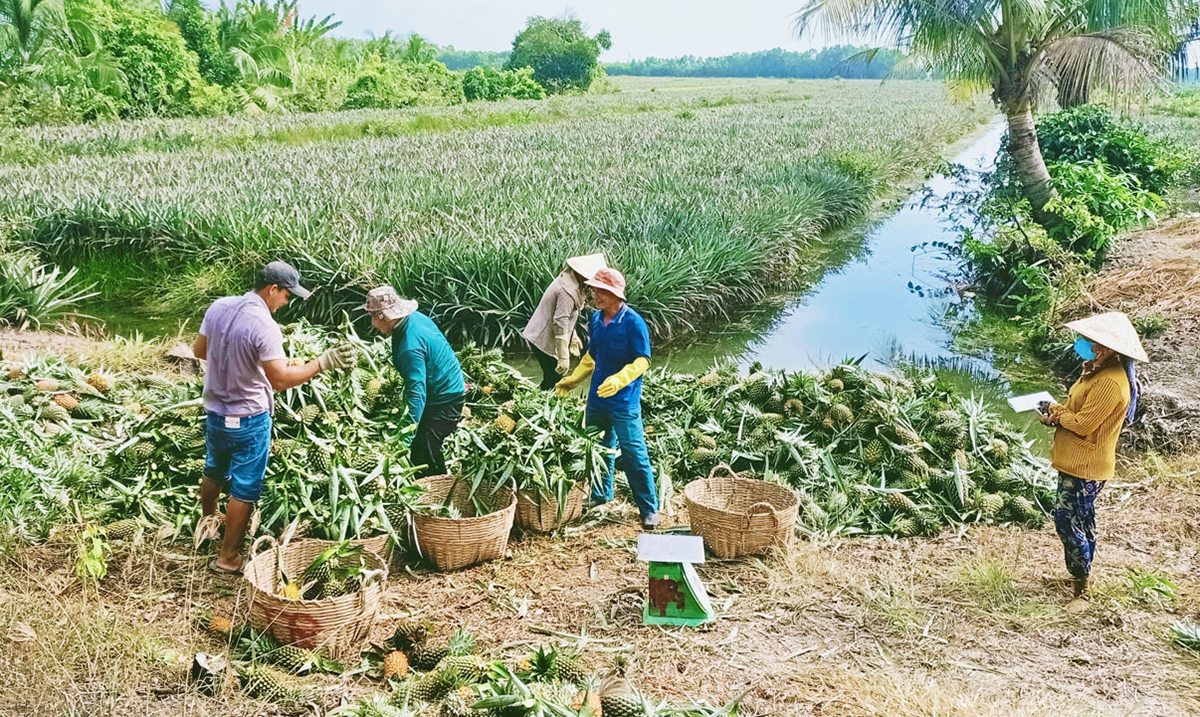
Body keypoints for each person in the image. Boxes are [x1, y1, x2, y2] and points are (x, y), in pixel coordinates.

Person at [193, 261, 356, 574]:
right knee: (245, 488)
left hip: (214, 411)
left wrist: (244, 361)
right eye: (286, 295)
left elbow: (201, 350)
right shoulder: (264, 324)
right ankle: (228, 558)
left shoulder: (218, 307)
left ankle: (209, 522)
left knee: (213, 469)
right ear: (272, 289)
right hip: (248, 418)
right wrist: (322, 363)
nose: (287, 302)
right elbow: (280, 380)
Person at [1040, 311, 1147, 614]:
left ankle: (1081, 589)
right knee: (1081, 519)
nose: (1084, 343)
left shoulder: (1110, 383)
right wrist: (1057, 414)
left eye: (1091, 340)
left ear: (1107, 347)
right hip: (1076, 461)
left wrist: (1060, 416)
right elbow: (1077, 411)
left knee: (1067, 519)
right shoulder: (1097, 370)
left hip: (1085, 465)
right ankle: (1079, 573)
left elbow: (1085, 424)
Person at [555, 268, 660, 530]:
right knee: (598, 448)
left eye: (600, 291)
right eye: (593, 290)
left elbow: (642, 360)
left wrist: (621, 379)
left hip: (624, 401)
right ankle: (601, 494)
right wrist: (573, 379)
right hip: (598, 399)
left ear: (615, 294)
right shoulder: (596, 319)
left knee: (634, 453)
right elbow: (592, 356)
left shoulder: (633, 322)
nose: (594, 295)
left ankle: (648, 508)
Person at [364, 286, 467, 478]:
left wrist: (405, 438)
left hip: (446, 399)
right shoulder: (415, 318)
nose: (372, 325)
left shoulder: (409, 348)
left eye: (372, 317)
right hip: (447, 383)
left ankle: (439, 491)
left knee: (424, 448)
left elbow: (417, 393)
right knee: (421, 442)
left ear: (382, 316)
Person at [522, 254, 607, 390]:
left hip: (544, 334)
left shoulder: (573, 281)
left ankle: (538, 400)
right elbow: (560, 321)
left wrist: (573, 337)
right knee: (554, 378)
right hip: (541, 337)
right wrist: (563, 357)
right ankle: (540, 404)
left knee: (551, 378)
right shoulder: (567, 290)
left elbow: (568, 316)